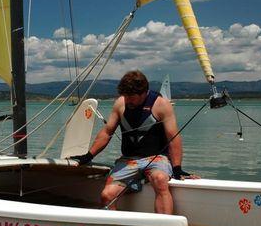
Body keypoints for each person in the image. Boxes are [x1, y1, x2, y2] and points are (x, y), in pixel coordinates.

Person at [70, 70, 195, 214]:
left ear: (144, 93)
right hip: (129, 161)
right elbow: (106, 132)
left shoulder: (161, 104)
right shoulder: (120, 104)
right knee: (107, 195)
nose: (128, 100)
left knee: (160, 180)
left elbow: (173, 137)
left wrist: (177, 168)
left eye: (131, 97)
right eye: (125, 96)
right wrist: (88, 156)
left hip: (156, 158)